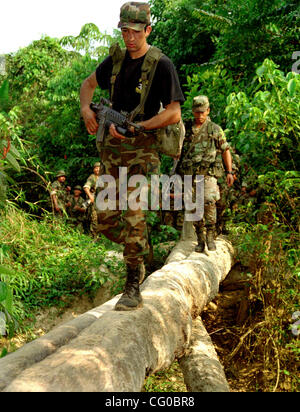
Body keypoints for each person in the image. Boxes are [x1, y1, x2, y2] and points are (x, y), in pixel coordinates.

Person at [80, 2, 184, 311]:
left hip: (143, 150)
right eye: (124, 31)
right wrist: (87, 109)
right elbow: (87, 86)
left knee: (134, 213)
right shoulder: (114, 61)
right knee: (104, 219)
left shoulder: (161, 64)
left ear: (148, 30)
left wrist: (139, 127)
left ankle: (132, 284)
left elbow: (174, 113)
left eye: (135, 32)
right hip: (112, 153)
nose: (129, 38)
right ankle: (141, 251)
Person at [178, 95, 234, 252]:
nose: (200, 115)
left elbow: (225, 150)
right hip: (189, 173)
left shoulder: (214, 129)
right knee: (193, 206)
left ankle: (210, 234)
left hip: (207, 172)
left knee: (209, 202)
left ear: (208, 111)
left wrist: (229, 171)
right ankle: (200, 238)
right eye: (197, 112)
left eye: (203, 112)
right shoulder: (186, 128)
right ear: (193, 111)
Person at [83, 162, 102, 237]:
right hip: (95, 201)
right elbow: (86, 187)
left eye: (99, 168)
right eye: (96, 168)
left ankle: (99, 236)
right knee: (95, 218)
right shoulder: (92, 177)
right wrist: (91, 197)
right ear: (94, 169)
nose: (97, 169)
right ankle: (94, 236)